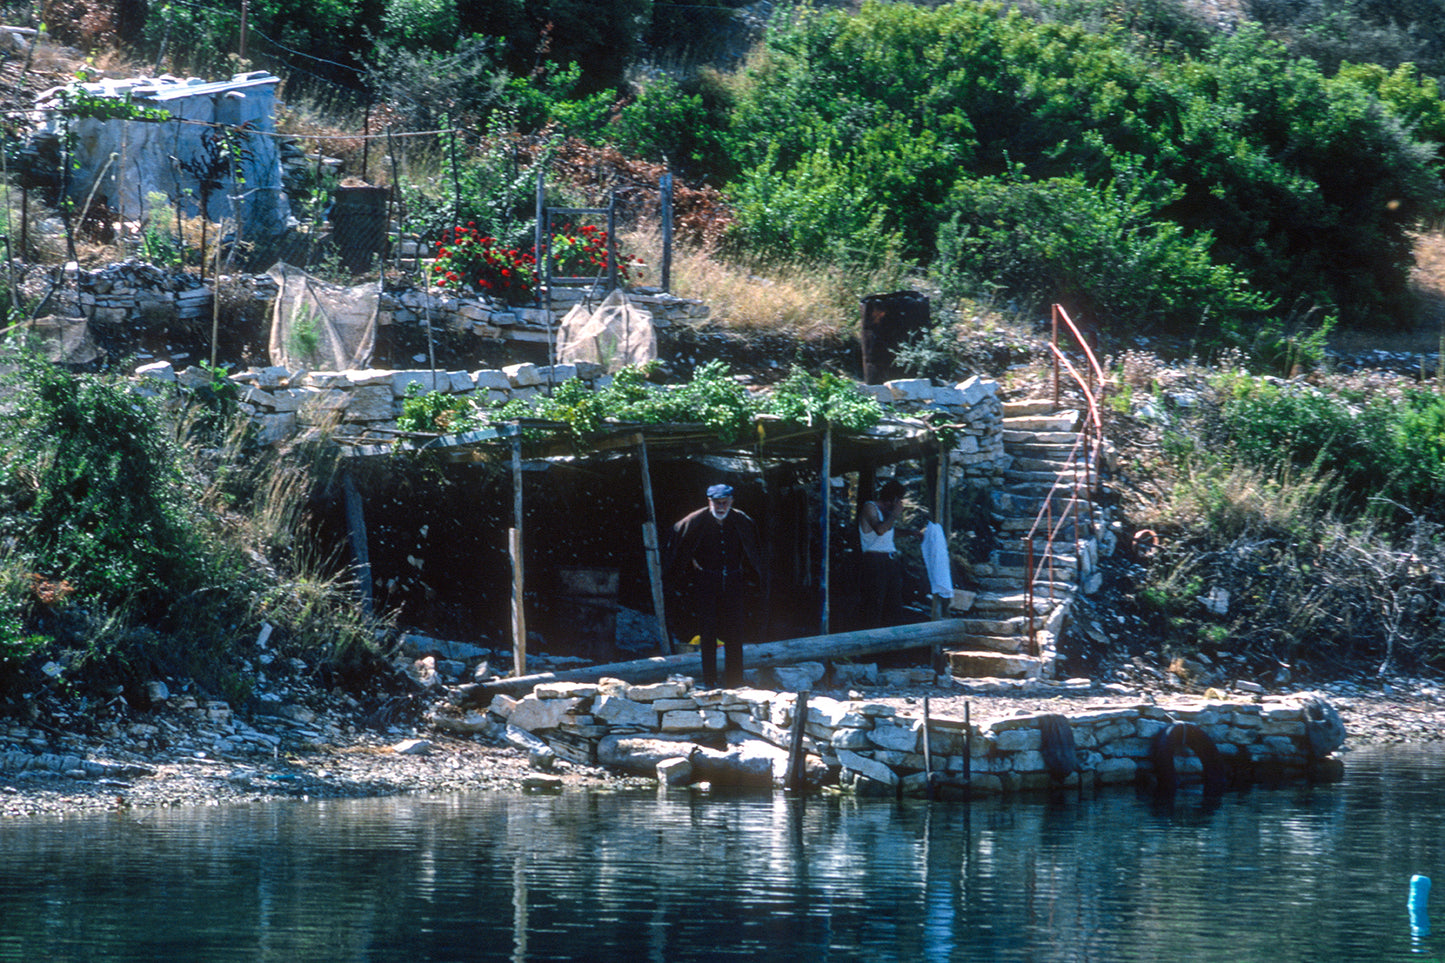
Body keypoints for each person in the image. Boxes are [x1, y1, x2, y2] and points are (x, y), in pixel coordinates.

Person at [666, 483, 766, 688]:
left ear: (731, 502)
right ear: (709, 501)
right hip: (706, 581)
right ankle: (710, 680)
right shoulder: (694, 522)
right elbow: (677, 547)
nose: (721, 507)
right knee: (707, 630)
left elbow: (754, 550)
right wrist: (690, 562)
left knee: (734, 631)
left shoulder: (742, 521)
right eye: (716, 503)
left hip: (733, 581)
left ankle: (734, 681)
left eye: (725, 502)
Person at [857, 478, 920, 629]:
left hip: (889, 559)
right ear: (893, 499)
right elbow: (880, 530)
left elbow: (889, 532)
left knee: (893, 603)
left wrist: (911, 532)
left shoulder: (887, 512)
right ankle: (870, 642)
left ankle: (890, 644)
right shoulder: (870, 507)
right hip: (874, 559)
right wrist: (895, 514)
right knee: (875, 603)